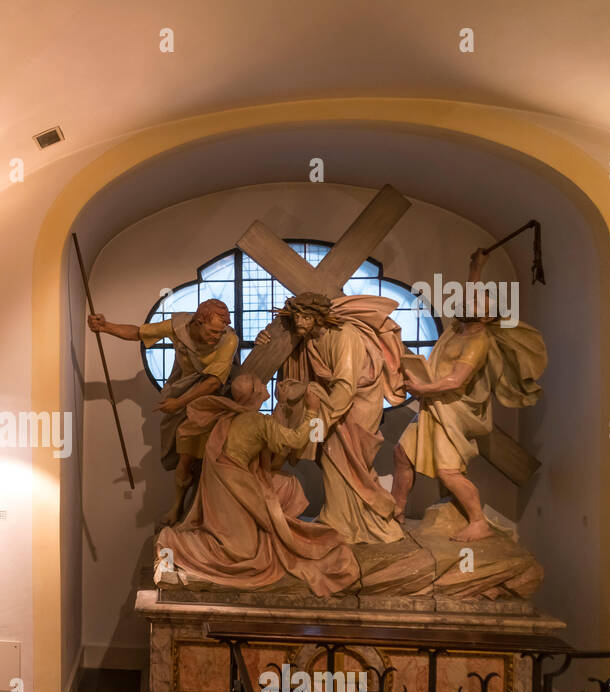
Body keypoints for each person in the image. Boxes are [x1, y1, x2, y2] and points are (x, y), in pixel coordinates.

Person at [392, 248, 546, 541]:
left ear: (487, 318)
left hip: (452, 411)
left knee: (449, 472)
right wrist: (476, 267)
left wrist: (422, 388)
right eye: (472, 302)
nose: (472, 304)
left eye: (479, 306)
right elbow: (472, 291)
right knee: (402, 454)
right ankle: (396, 512)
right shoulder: (459, 328)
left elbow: (455, 380)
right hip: (434, 406)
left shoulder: (478, 342)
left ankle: (478, 521)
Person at [157, 375, 360, 596]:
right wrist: (312, 411)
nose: (266, 384)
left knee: (289, 484)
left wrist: (282, 405)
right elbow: (297, 440)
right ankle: (171, 544)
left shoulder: (232, 417)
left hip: (229, 480)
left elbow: (270, 451)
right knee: (244, 554)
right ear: (255, 393)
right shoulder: (258, 422)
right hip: (233, 485)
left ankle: (270, 523)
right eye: (261, 383)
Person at [256, 292, 406, 544]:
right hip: (334, 404)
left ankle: (366, 520)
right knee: (332, 459)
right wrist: (264, 339)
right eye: (297, 317)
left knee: (349, 461)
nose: (300, 322)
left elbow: (346, 386)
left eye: (306, 317)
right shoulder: (312, 338)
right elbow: (290, 355)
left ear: (318, 317)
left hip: (356, 406)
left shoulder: (343, 335)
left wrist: (318, 422)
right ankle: (341, 519)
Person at [89, 299, 239, 524]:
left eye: (220, 332)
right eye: (213, 331)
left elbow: (213, 383)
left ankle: (204, 514)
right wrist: (105, 326)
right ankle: (180, 510)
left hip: (215, 400)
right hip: (183, 391)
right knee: (182, 458)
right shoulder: (178, 327)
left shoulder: (229, 339)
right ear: (198, 322)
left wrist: (178, 404)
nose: (217, 337)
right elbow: (139, 333)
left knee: (204, 457)